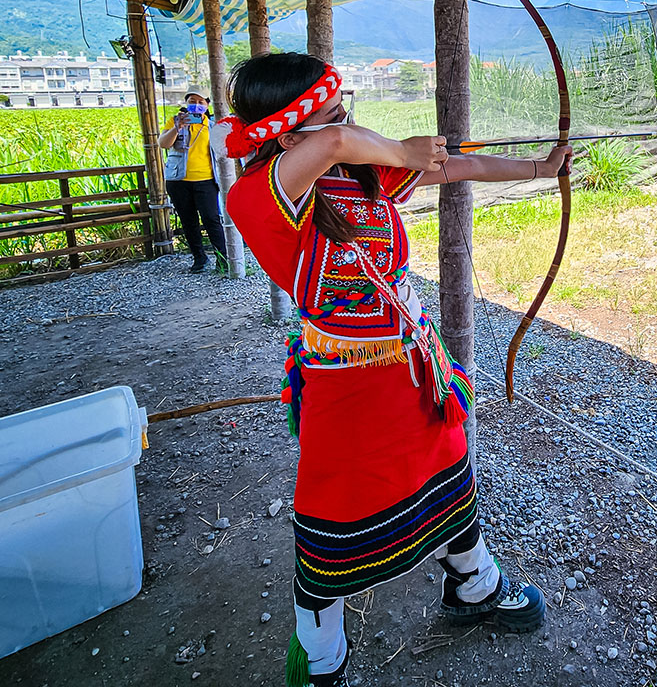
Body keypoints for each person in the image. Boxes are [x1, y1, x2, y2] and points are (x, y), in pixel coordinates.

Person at [223, 53, 569, 687]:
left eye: (341, 108)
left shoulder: (357, 173)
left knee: (447, 471)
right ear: (287, 129)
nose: (345, 118)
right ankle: (319, 648)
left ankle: (474, 586)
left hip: (413, 370)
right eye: (331, 110)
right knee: (337, 505)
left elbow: (454, 165)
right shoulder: (258, 195)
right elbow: (335, 140)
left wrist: (537, 168)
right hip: (345, 386)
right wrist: (405, 152)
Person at [157, 87, 228, 273]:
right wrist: (177, 128)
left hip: (206, 179)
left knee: (211, 219)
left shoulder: (212, 126)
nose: (196, 105)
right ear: (186, 103)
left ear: (207, 105)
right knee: (188, 221)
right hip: (178, 180)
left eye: (200, 102)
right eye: (192, 101)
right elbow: (163, 144)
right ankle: (199, 258)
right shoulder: (175, 121)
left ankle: (223, 258)